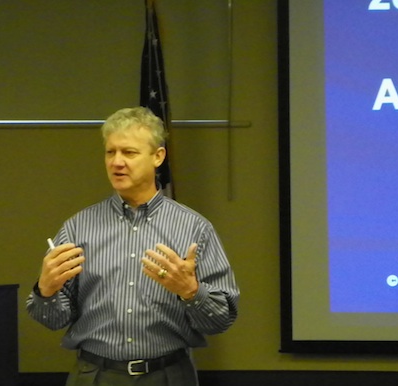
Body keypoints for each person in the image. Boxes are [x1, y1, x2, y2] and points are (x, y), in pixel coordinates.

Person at [26, 106, 240, 386]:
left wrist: (190, 292)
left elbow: (221, 321)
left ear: (158, 157)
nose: (116, 162)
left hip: (168, 375)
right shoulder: (78, 227)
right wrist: (46, 291)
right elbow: (52, 320)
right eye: (110, 152)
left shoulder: (194, 228)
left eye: (129, 153)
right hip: (95, 375)